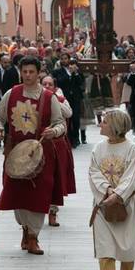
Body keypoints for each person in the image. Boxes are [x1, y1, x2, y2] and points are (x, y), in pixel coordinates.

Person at [0, 56, 66, 255]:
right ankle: (25, 228)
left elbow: (61, 123)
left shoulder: (49, 97)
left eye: (31, 72)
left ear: (38, 72)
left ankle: (34, 236)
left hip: (41, 153)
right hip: (16, 153)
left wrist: (55, 131)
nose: (27, 75)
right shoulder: (11, 94)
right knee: (18, 194)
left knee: (39, 195)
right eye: (24, 71)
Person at [89, 109, 135, 270]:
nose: (101, 124)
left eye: (105, 122)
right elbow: (93, 172)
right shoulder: (98, 148)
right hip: (103, 204)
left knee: (127, 246)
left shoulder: (131, 149)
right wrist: (107, 191)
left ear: (115, 127)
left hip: (126, 204)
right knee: (104, 246)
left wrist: (117, 195)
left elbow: (131, 176)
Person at [41, 75, 76, 227]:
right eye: (44, 84)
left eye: (50, 84)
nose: (47, 86)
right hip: (40, 143)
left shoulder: (61, 100)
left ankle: (53, 212)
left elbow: (69, 113)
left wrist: (54, 99)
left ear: (54, 86)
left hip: (58, 143)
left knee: (56, 179)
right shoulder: (36, 100)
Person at [52, 55, 84, 148]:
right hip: (65, 98)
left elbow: (80, 82)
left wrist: (76, 73)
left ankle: (76, 138)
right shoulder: (57, 72)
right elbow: (60, 82)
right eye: (62, 58)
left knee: (76, 118)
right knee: (67, 119)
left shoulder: (76, 70)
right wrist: (69, 73)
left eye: (65, 58)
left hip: (75, 98)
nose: (64, 60)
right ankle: (69, 139)